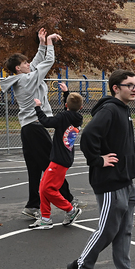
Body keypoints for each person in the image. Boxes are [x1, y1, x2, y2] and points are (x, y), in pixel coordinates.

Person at [67, 69, 135, 269]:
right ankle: (82, 266)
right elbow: (88, 136)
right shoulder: (109, 110)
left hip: (125, 180)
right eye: (129, 85)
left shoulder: (123, 109)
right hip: (110, 181)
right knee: (107, 230)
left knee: (124, 231)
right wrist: (98, 160)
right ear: (116, 88)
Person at [0, 28, 73, 220]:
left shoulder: (23, 76)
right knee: (52, 165)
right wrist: (49, 43)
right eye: (25, 63)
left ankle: (32, 205)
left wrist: (41, 44)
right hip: (35, 128)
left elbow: (36, 63)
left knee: (34, 169)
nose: (28, 64)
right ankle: (69, 200)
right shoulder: (27, 79)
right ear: (18, 68)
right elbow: (47, 62)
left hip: (28, 129)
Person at [30, 84, 84, 229]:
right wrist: (66, 93)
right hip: (64, 157)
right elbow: (69, 109)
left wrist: (38, 108)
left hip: (59, 159)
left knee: (48, 189)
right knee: (43, 187)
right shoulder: (77, 118)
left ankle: (70, 210)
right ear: (81, 107)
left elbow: (47, 122)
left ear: (66, 105)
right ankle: (45, 218)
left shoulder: (63, 117)